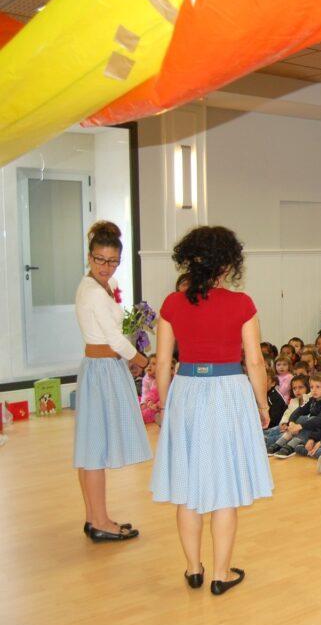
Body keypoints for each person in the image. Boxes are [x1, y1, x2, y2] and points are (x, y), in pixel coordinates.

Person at [151, 226, 274, 595]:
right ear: (227, 265)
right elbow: (254, 363)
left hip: (186, 391)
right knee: (224, 488)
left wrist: (162, 405)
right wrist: (263, 403)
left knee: (189, 487)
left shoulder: (173, 304)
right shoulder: (242, 305)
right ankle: (220, 575)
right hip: (228, 394)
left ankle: (193, 569)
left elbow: (161, 364)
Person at [75, 221, 151, 542]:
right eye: (100, 260)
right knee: (94, 449)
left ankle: (95, 517)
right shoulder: (93, 292)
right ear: (90, 257)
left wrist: (128, 358)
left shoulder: (104, 285)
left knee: (93, 446)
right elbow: (116, 341)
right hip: (101, 369)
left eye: (112, 261)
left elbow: (118, 336)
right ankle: (100, 521)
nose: (106, 267)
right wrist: (143, 361)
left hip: (105, 367)